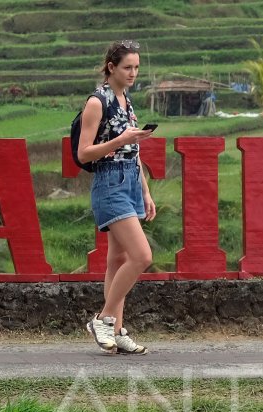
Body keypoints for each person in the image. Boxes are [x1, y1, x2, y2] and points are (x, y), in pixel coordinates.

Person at [77, 40, 156, 355]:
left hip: (131, 183)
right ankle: (104, 318)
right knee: (142, 256)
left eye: (136, 67)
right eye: (128, 67)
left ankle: (118, 330)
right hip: (109, 183)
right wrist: (120, 139)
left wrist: (146, 191)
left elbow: (132, 151)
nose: (133, 72)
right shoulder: (98, 102)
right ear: (111, 67)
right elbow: (84, 152)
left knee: (119, 259)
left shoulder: (126, 100)